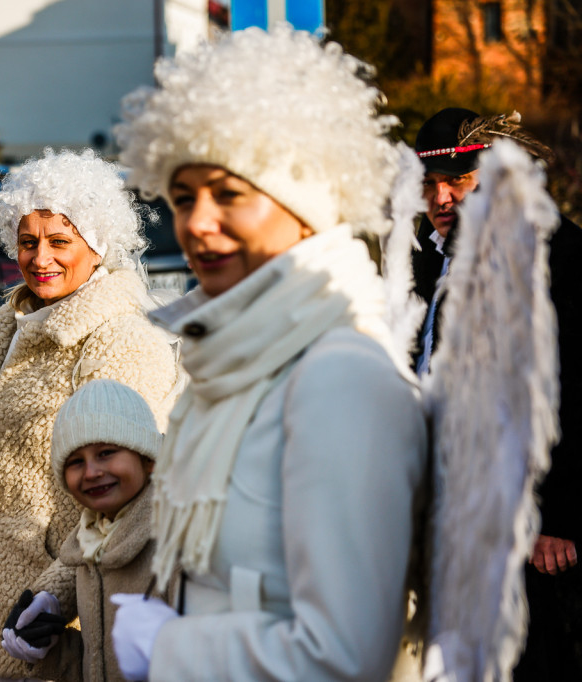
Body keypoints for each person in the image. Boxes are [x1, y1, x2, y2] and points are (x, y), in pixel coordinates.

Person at [107, 25, 428, 681]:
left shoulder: (340, 378)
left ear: (303, 208)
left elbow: (344, 658)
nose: (196, 222)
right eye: (182, 197)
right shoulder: (228, 364)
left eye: (229, 194)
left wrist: (168, 650)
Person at [0, 148, 180, 681]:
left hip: (77, 600)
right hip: (12, 586)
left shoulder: (120, 336)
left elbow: (130, 492)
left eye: (60, 242)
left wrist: (55, 597)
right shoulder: (10, 325)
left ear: (96, 245)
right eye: (28, 242)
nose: (40, 258)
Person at [410, 107, 582, 680]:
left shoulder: (554, 254)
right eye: (429, 184)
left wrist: (558, 516)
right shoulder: (428, 264)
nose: (441, 198)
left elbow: (572, 387)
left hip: (533, 541)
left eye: (457, 180)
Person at [1, 379, 179, 682]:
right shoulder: (91, 541)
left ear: (148, 459)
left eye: (106, 452)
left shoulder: (177, 542)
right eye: (75, 462)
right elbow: (98, 661)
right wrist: (44, 646)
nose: (92, 472)